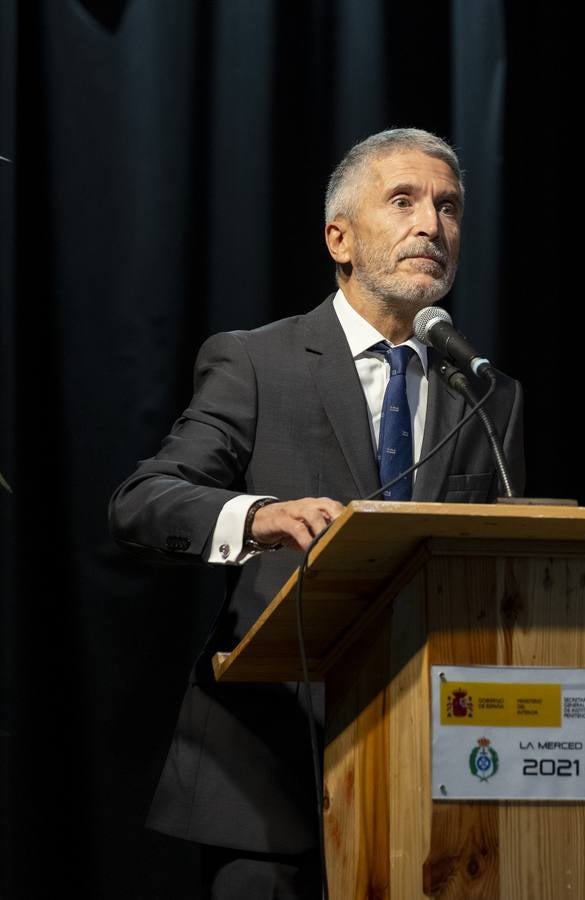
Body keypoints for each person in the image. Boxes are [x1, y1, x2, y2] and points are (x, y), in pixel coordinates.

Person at [108, 127, 524, 898]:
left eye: (448, 206)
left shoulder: (487, 393)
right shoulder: (258, 362)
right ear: (340, 237)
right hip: (272, 777)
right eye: (402, 201)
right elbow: (143, 501)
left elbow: (509, 573)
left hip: (440, 781)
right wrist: (258, 514)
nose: (431, 225)